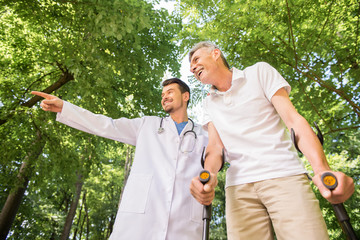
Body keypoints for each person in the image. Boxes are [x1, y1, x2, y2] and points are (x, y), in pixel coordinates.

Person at [188, 41, 355, 240]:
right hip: (238, 188)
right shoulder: (209, 103)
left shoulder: (259, 72)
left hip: (283, 174)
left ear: (216, 53)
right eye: (190, 66)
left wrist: (322, 170)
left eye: (196, 59)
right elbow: (215, 147)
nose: (192, 67)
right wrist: (208, 175)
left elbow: (294, 120)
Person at [31, 78, 208, 240]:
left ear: (186, 96)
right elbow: (107, 125)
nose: (164, 97)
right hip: (140, 219)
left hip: (184, 221)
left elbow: (223, 157)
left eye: (170, 92)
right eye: (162, 94)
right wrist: (65, 108)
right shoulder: (147, 125)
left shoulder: (204, 134)